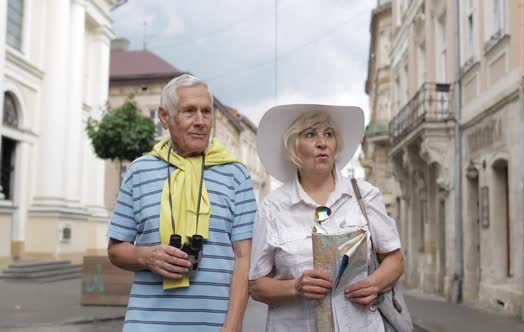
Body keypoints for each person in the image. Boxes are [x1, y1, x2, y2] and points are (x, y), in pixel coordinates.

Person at [107, 74, 256, 332]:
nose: (200, 121)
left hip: (216, 325)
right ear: (165, 117)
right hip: (146, 324)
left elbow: (245, 258)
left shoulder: (236, 175)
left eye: (206, 112)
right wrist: (147, 256)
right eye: (189, 111)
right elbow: (116, 250)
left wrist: (232, 326)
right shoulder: (139, 171)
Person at [248, 104, 404, 331]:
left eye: (328, 134)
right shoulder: (272, 208)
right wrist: (295, 287)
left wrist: (374, 284)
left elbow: (395, 259)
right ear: (293, 146)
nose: (322, 142)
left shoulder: (364, 195)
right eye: (310, 134)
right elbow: (256, 285)